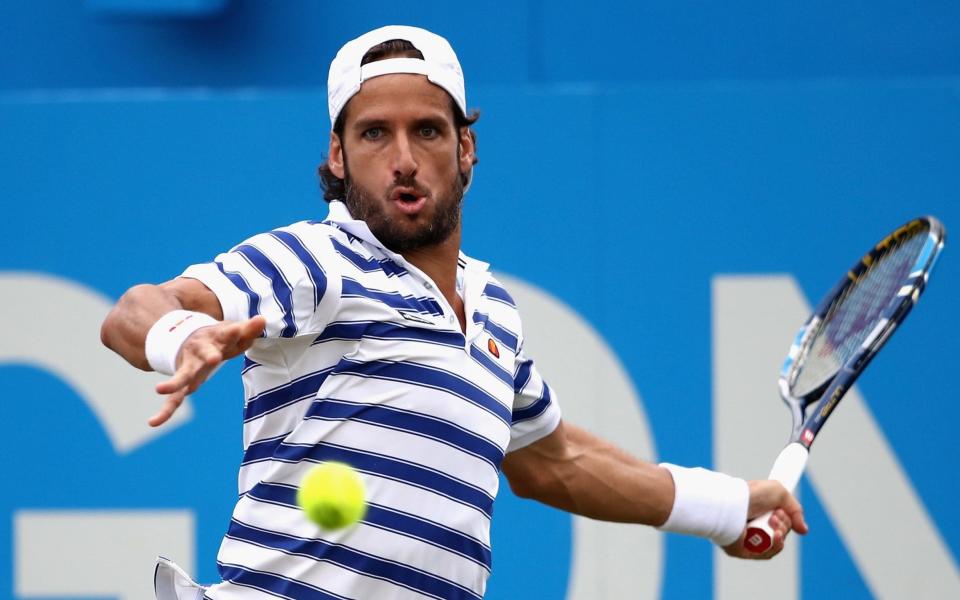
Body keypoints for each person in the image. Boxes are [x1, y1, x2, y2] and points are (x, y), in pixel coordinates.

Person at [101, 25, 807, 600]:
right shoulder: (314, 260)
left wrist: (728, 507)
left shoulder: (493, 313)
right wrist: (182, 334)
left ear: (465, 148)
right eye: (375, 134)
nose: (403, 159)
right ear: (338, 157)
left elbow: (558, 462)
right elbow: (134, 311)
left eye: (428, 132)